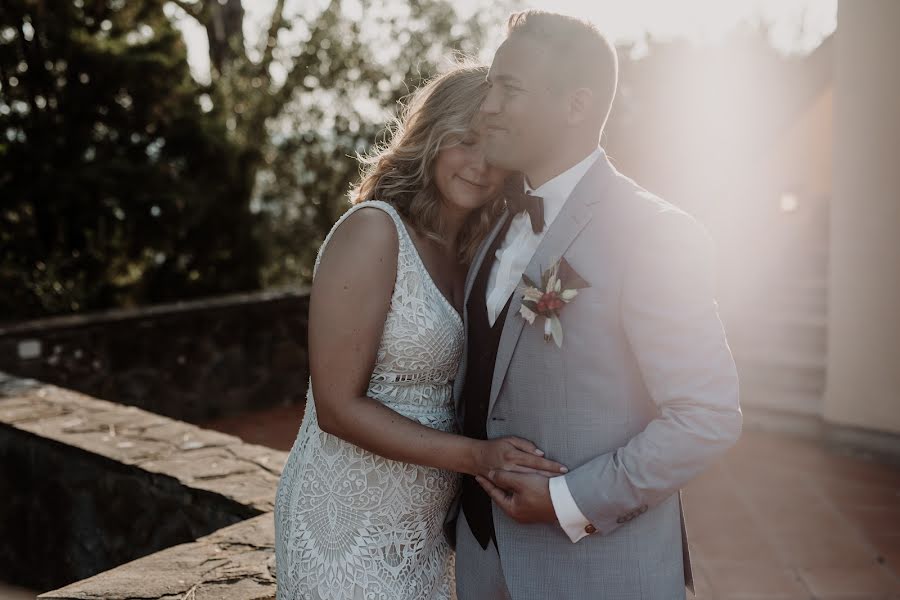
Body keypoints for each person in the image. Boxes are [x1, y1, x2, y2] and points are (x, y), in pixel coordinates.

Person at [449, 11, 743, 599]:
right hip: (482, 563)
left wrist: (568, 499)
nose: (487, 107)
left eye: (510, 88)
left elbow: (706, 416)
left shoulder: (653, 232)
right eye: (491, 87)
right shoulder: (494, 220)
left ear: (576, 106)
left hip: (598, 573)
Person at [273, 64, 568, 600]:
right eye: (463, 140)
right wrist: (478, 457)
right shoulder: (373, 231)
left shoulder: (484, 255)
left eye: (495, 148)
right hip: (344, 528)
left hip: (430, 537)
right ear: (431, 137)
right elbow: (337, 408)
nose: (480, 165)